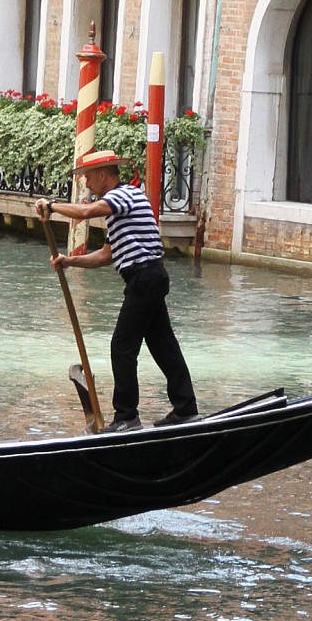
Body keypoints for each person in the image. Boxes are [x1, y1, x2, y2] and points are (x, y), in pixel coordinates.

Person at [36, 152, 198, 431]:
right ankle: (185, 409)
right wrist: (69, 261)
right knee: (163, 346)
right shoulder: (120, 209)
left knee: (121, 347)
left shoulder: (124, 196)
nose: (86, 183)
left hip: (145, 278)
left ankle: (126, 417)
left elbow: (86, 213)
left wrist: (52, 207)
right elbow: (106, 255)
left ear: (102, 175)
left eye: (88, 177)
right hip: (149, 277)